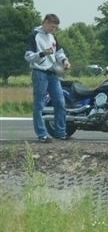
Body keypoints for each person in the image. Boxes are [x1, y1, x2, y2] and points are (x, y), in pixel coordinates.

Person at [24, 13, 71, 142]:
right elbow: (28, 56)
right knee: (39, 104)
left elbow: (59, 52)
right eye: (51, 26)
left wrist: (65, 60)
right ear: (45, 22)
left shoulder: (52, 37)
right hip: (39, 73)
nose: (53, 30)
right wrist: (42, 53)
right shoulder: (34, 36)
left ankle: (60, 132)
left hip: (52, 73)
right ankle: (42, 135)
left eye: (55, 27)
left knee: (60, 102)